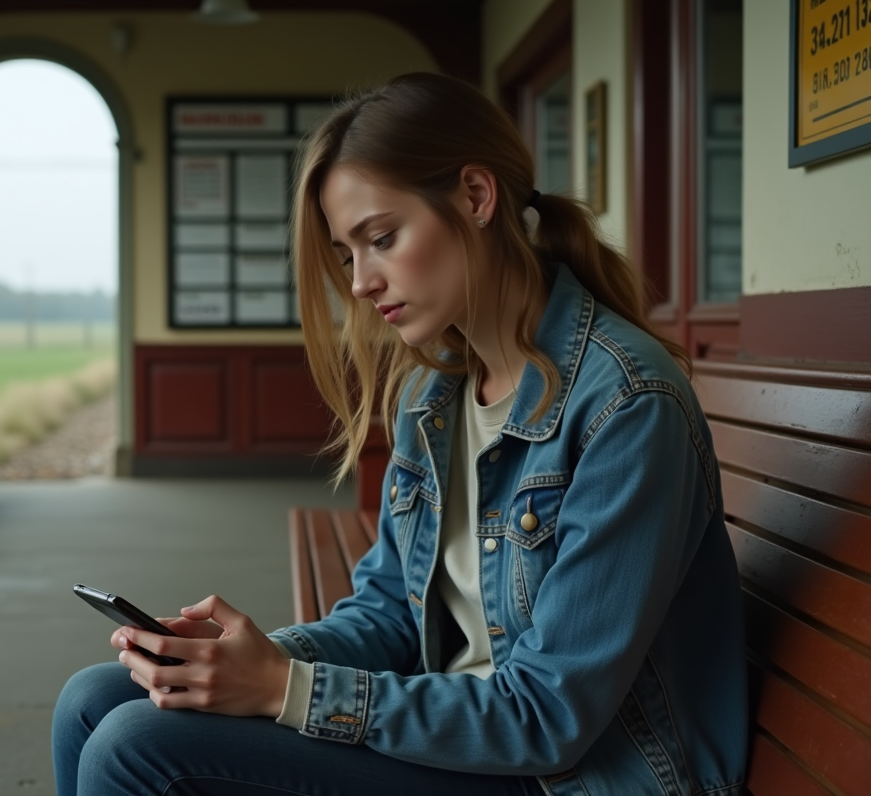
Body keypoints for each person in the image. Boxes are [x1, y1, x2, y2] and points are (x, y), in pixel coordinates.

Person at [51, 72, 748, 796]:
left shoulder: (626, 406)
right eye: (348, 254)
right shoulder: (434, 395)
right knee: (94, 700)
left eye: (381, 238)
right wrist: (245, 661)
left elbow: (548, 716)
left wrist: (285, 687)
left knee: (135, 746)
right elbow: (390, 615)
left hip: (570, 774)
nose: (358, 282)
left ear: (476, 198)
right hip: (467, 737)